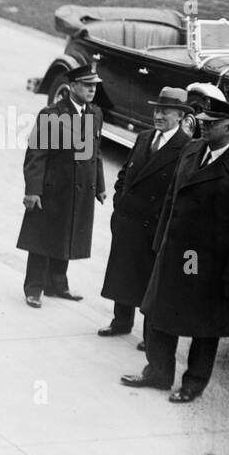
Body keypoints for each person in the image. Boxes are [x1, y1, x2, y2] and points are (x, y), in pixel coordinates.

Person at [122, 103, 229, 402]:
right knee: (161, 312)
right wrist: (160, 242)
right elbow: (170, 201)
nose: (203, 125)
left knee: (204, 325)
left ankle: (193, 383)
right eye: (202, 120)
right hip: (175, 250)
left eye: (211, 123)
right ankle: (158, 373)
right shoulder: (191, 151)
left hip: (210, 262)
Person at [97, 87, 192, 338]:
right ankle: (121, 322)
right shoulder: (144, 137)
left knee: (151, 281)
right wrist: (120, 201)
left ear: (181, 116)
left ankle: (150, 335)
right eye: (157, 110)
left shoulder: (186, 148)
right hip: (129, 220)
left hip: (155, 225)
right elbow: (125, 174)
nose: (159, 115)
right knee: (123, 273)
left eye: (166, 111)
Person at [16, 59, 105, 308]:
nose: (92, 90)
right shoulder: (53, 114)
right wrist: (33, 190)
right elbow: (36, 155)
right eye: (87, 86)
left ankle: (58, 284)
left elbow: (93, 152)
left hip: (78, 188)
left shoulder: (94, 114)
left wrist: (99, 185)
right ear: (73, 86)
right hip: (53, 188)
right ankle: (34, 288)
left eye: (94, 86)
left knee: (67, 235)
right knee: (42, 239)